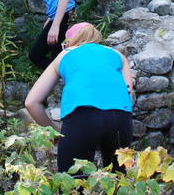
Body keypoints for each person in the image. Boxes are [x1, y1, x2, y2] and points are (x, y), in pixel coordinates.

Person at [24, 22, 135, 173]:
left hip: (82, 115)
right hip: (120, 118)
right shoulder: (117, 55)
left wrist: (54, 131)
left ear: (69, 42)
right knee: (118, 181)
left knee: (73, 183)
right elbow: (129, 92)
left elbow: (31, 102)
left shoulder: (66, 54)